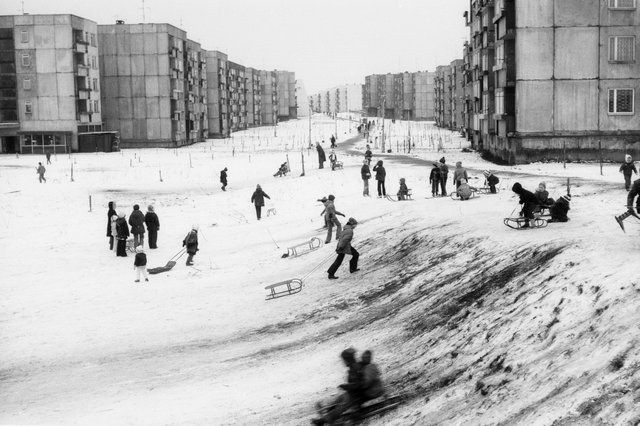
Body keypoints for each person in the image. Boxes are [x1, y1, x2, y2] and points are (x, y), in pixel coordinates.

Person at [311, 348, 363, 426]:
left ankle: (322, 421)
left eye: (344, 360)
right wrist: (347, 387)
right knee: (338, 400)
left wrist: (346, 386)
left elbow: (358, 384)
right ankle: (327, 410)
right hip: (352, 393)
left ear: (348, 360)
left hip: (357, 395)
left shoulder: (355, 369)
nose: (343, 362)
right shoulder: (353, 367)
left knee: (340, 407)